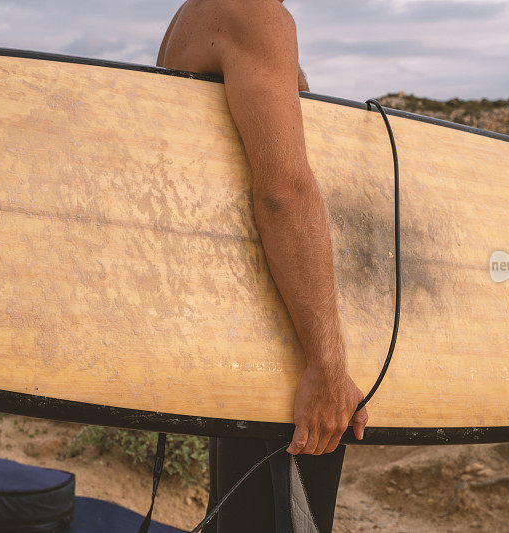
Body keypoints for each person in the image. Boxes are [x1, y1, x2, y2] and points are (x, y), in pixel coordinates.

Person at [156, 1, 369, 532]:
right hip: (278, 330)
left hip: (244, 318)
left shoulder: (196, 13)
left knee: (241, 517)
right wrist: (326, 364)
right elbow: (283, 192)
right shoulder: (254, 11)